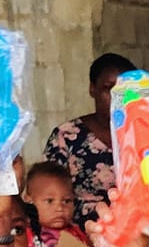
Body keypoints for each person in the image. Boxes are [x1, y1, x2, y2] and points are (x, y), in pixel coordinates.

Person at [45, 52, 140, 213]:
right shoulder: (66, 136)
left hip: (136, 231)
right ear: (92, 89)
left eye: (125, 91)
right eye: (108, 88)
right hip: (81, 233)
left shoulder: (143, 135)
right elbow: (48, 194)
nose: (117, 98)